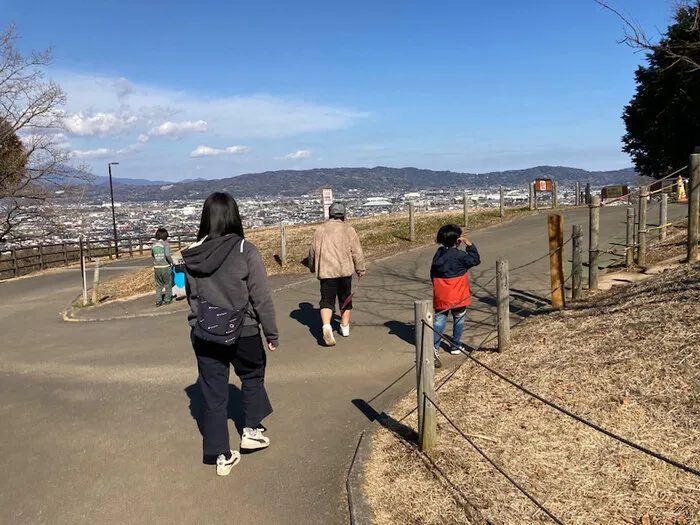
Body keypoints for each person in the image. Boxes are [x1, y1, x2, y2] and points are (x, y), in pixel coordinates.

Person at [182, 192, 278, 477]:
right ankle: (250, 429)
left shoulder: (193, 253)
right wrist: (271, 333)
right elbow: (261, 297)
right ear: (234, 216)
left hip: (205, 332)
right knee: (251, 375)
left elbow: (193, 298)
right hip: (244, 329)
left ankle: (220, 455)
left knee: (213, 395)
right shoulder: (244, 250)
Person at [308, 201, 365, 347]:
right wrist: (360, 268)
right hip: (344, 270)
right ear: (343, 214)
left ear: (330, 213)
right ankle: (344, 327)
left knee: (326, 300)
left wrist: (312, 267)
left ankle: (326, 326)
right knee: (345, 298)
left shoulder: (320, 230)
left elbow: (312, 251)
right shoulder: (348, 229)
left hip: (326, 271)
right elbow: (357, 252)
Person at [430, 224, 481, 367]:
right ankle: (455, 345)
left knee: (439, 321)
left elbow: (432, 273)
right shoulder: (460, 256)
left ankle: (434, 348)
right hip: (458, 294)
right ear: (457, 240)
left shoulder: (438, 254)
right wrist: (469, 245)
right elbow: (475, 260)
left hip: (441, 293)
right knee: (459, 318)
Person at [152, 228, 174, 307]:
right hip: (165, 266)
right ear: (166, 236)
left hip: (156, 267)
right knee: (167, 283)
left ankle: (158, 301)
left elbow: (153, 255)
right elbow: (167, 255)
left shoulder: (154, 245)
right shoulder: (166, 244)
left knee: (158, 285)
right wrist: (172, 262)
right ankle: (167, 299)